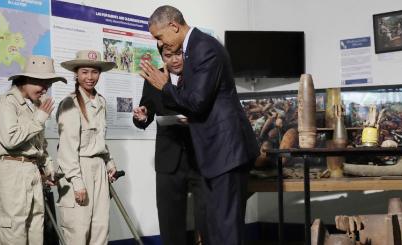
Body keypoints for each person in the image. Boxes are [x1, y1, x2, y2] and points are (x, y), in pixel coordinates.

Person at [140, 5, 259, 245]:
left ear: (173, 26)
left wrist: (165, 87)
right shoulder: (192, 49)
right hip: (216, 154)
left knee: (226, 231)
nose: (161, 44)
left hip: (226, 152)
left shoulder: (203, 47)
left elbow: (196, 103)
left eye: (160, 37)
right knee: (215, 229)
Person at [0, 55, 66, 244]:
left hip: (31, 171)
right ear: (25, 80)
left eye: (48, 83)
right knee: (12, 231)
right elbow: (11, 139)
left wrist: (49, 168)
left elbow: (39, 145)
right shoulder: (7, 102)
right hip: (10, 172)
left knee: (35, 229)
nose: (45, 88)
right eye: (40, 83)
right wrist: (39, 118)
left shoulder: (34, 106)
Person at [133, 45, 206, 245]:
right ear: (162, 57)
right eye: (168, 55)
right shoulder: (153, 78)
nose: (174, 60)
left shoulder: (199, 76)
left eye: (178, 54)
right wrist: (142, 116)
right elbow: (146, 111)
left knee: (207, 217)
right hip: (168, 159)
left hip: (200, 157)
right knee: (170, 221)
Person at [56, 50, 118, 245]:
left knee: (100, 228)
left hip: (98, 168)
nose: (90, 77)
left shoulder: (101, 102)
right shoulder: (70, 103)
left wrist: (109, 163)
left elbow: (99, 140)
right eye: (84, 72)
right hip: (78, 168)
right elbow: (66, 148)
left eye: (94, 72)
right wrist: (77, 182)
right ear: (76, 73)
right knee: (78, 230)